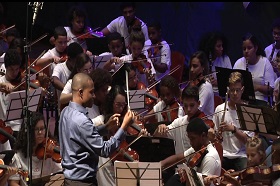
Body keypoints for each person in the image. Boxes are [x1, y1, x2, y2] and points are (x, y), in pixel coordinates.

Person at [58, 72, 134, 186]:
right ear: (80, 93)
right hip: (83, 183)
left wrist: (106, 127)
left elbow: (83, 136)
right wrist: (123, 127)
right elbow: (105, 150)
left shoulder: (65, 112)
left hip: (70, 181)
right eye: (91, 92)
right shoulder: (82, 121)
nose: (94, 96)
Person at [154, 85, 215, 155]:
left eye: (192, 105)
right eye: (185, 105)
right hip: (180, 165)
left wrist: (211, 137)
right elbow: (157, 136)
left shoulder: (204, 122)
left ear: (198, 104)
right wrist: (160, 129)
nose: (188, 109)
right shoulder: (179, 122)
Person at [161, 117, 221, 186]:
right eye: (189, 139)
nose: (191, 143)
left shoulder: (210, 157)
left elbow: (202, 184)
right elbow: (178, 158)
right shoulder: (198, 149)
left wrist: (187, 175)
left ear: (203, 135)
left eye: (193, 138)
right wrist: (161, 164)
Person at [213, 71, 254, 172]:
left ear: (242, 90)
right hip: (224, 154)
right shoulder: (220, 109)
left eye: (237, 90)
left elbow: (248, 141)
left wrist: (234, 129)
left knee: (246, 174)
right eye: (232, 90)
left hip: (241, 155)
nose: (235, 93)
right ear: (228, 90)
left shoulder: (247, 111)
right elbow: (214, 136)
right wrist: (216, 136)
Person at [8, 111, 62, 185]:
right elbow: (13, 183)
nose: (40, 132)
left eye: (42, 128)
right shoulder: (18, 156)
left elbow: (61, 173)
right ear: (28, 132)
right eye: (36, 129)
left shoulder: (49, 152)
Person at [233, 32, 275, 104]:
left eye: (249, 48)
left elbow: (271, 89)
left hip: (261, 101)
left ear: (256, 48)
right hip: (242, 100)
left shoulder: (265, 62)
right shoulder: (238, 63)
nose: (246, 51)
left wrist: (257, 87)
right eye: (244, 48)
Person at [51, 42, 84, 112]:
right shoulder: (59, 67)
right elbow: (55, 80)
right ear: (69, 58)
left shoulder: (81, 67)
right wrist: (70, 90)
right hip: (65, 110)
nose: (78, 64)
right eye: (76, 61)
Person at [0, 49, 23, 148]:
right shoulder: (1, 82)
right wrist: (3, 84)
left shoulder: (22, 83)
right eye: (11, 69)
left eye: (17, 69)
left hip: (19, 128)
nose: (14, 73)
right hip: (3, 129)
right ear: (5, 67)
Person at [182, 50, 214, 119]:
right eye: (190, 66)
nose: (191, 70)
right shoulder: (192, 82)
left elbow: (196, 110)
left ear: (203, 68)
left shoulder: (206, 86)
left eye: (195, 66)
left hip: (204, 123)